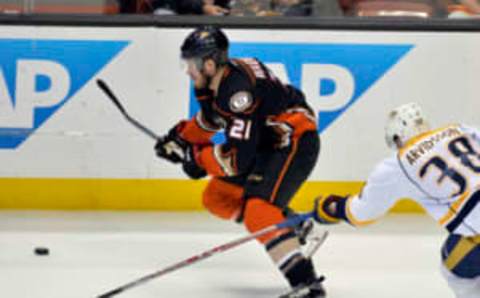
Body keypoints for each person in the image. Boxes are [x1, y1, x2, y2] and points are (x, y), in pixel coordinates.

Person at [154, 26, 326, 297]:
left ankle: (306, 284)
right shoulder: (217, 82)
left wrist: (197, 158)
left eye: (191, 64)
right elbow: (211, 120)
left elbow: (236, 160)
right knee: (217, 197)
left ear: (209, 64)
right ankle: (293, 224)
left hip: (293, 141)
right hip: (267, 142)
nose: (188, 70)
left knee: (258, 212)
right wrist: (180, 138)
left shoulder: (238, 94)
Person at [313, 102, 480, 298]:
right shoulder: (460, 129)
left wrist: (333, 207)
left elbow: (361, 214)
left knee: (454, 269)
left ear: (397, 137)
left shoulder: (397, 165)